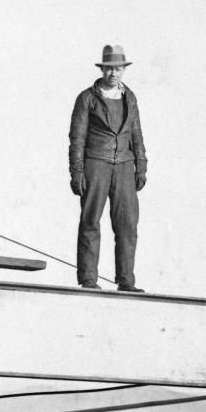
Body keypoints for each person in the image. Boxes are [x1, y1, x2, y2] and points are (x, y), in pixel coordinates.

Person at [68, 44, 147, 292]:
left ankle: (126, 281)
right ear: (102, 69)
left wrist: (141, 166)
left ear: (124, 70)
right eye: (109, 69)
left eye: (118, 69)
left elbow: (136, 133)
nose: (113, 74)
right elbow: (77, 137)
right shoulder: (87, 98)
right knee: (90, 220)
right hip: (96, 163)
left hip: (124, 165)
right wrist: (77, 171)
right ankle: (89, 280)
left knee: (127, 224)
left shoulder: (129, 97)